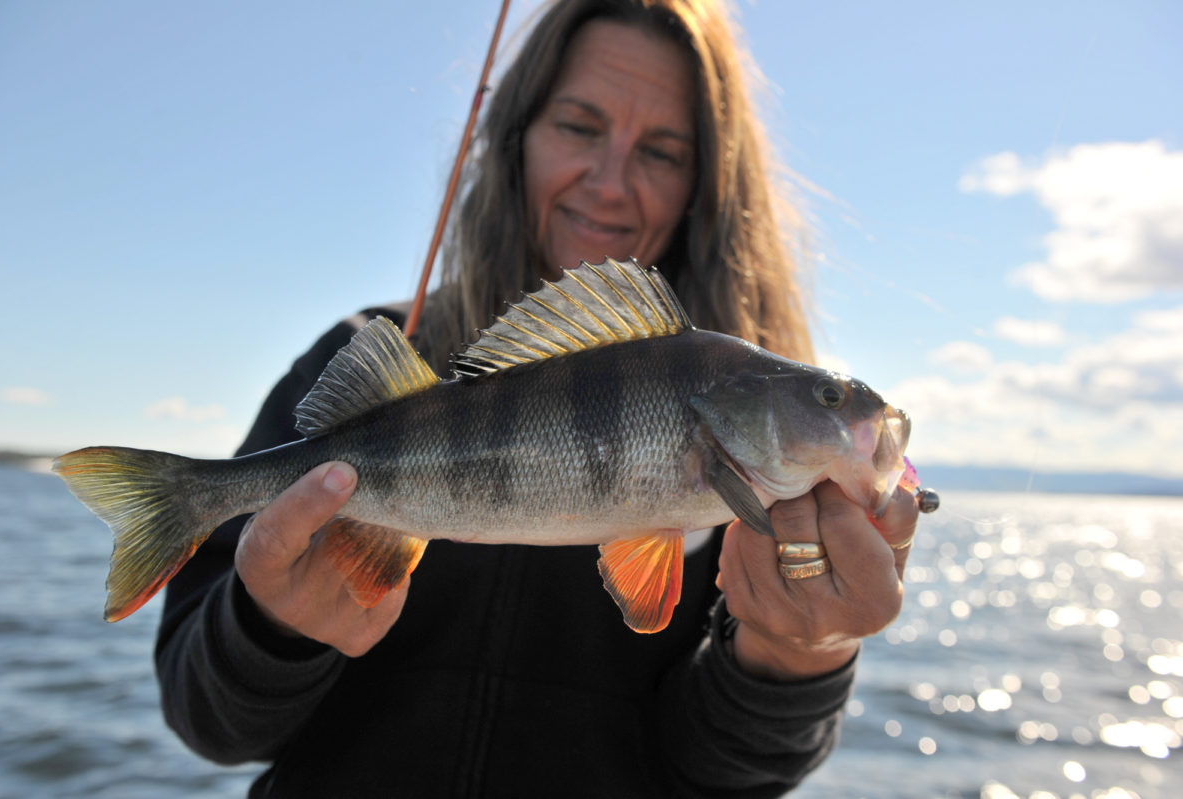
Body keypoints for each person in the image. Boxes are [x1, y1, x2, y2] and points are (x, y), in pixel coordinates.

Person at [155, 1, 923, 796]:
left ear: (704, 185)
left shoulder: (771, 504)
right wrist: (271, 629)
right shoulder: (363, 348)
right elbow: (204, 720)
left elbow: (721, 775)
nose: (610, 182)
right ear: (516, 136)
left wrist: (795, 656)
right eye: (579, 127)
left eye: (661, 151)